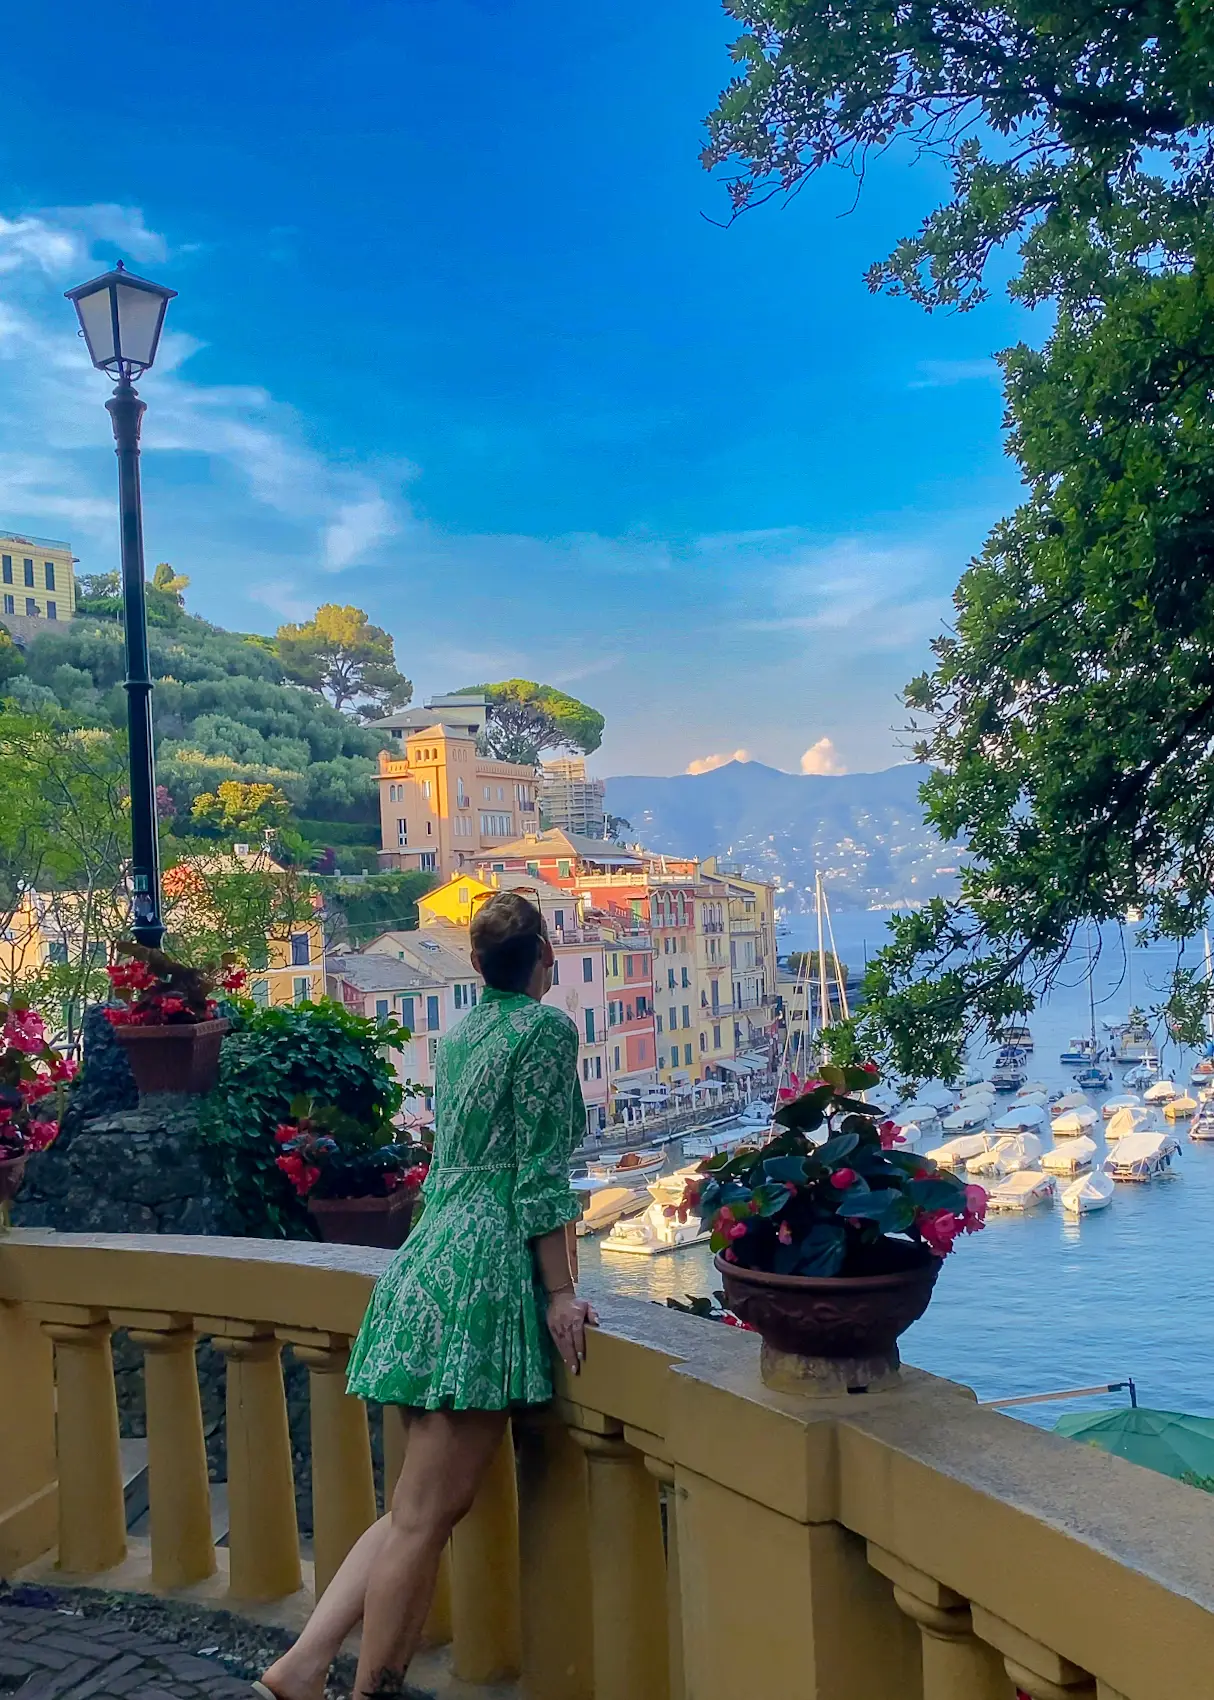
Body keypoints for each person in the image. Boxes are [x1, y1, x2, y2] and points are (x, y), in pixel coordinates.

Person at [255, 891, 597, 1700]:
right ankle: (370, 1690)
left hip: (425, 1264)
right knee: (423, 1518)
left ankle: (302, 1669)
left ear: (476, 966)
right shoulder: (543, 1029)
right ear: (545, 957)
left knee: (412, 1508)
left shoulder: (466, 1029)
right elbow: (540, 1177)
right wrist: (560, 1293)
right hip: (480, 1277)